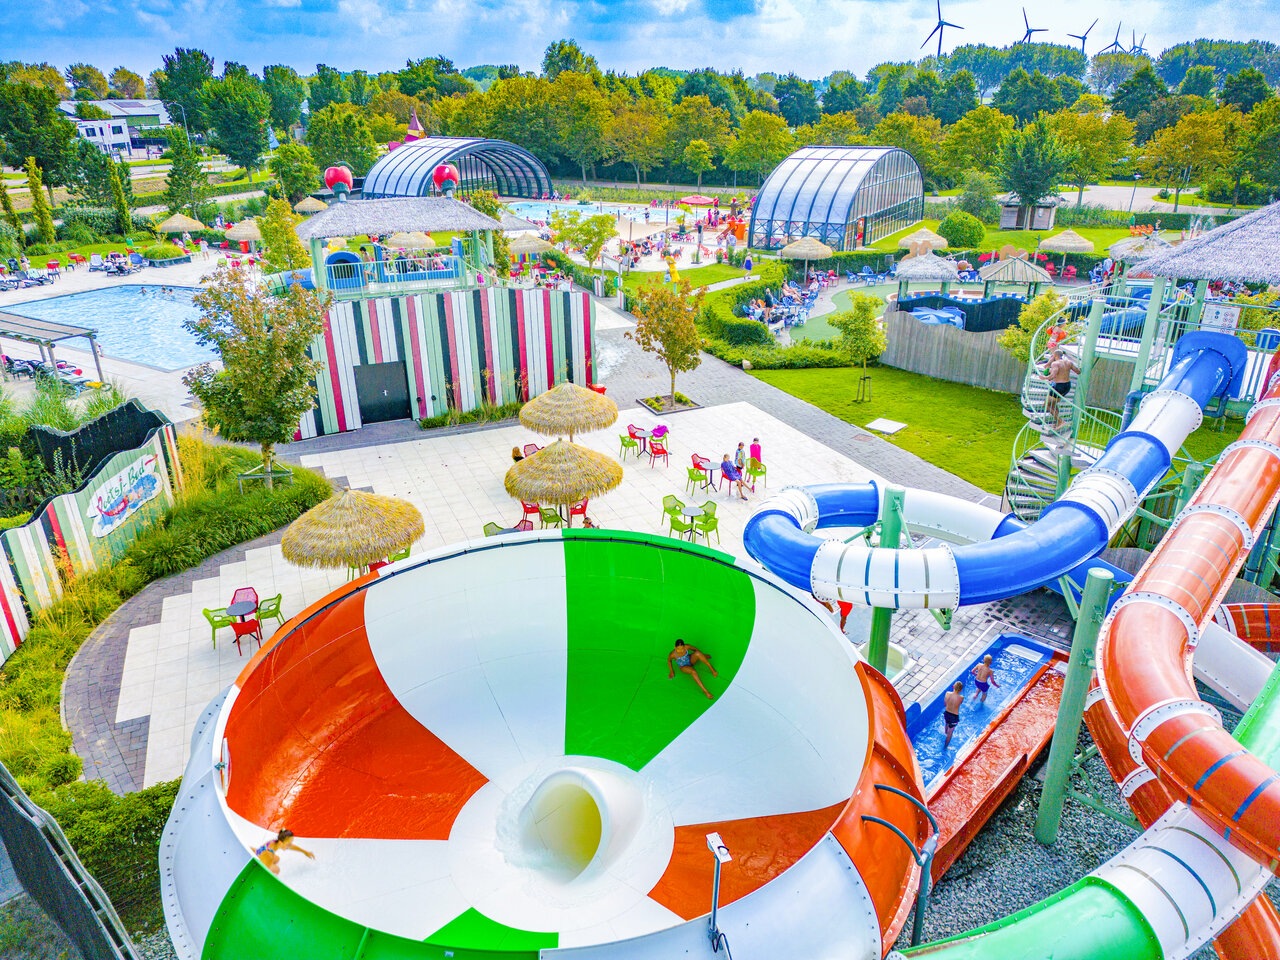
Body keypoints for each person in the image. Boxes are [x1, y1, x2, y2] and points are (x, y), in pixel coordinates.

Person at [1044, 349, 1079, 429]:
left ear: (1055, 356)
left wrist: (1044, 377)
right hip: (1067, 386)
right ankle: (1057, 423)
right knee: (1053, 404)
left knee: (1047, 406)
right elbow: (1078, 371)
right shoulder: (1068, 362)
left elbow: (1052, 376)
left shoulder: (1055, 364)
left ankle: (1060, 421)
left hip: (1059, 386)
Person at [943, 681, 963, 747]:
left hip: (947, 713)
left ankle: (945, 733)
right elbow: (959, 704)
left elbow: (945, 704)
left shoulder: (947, 693)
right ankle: (945, 747)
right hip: (954, 717)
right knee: (950, 733)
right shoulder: (961, 697)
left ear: (953, 686)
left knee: (947, 723)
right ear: (961, 690)